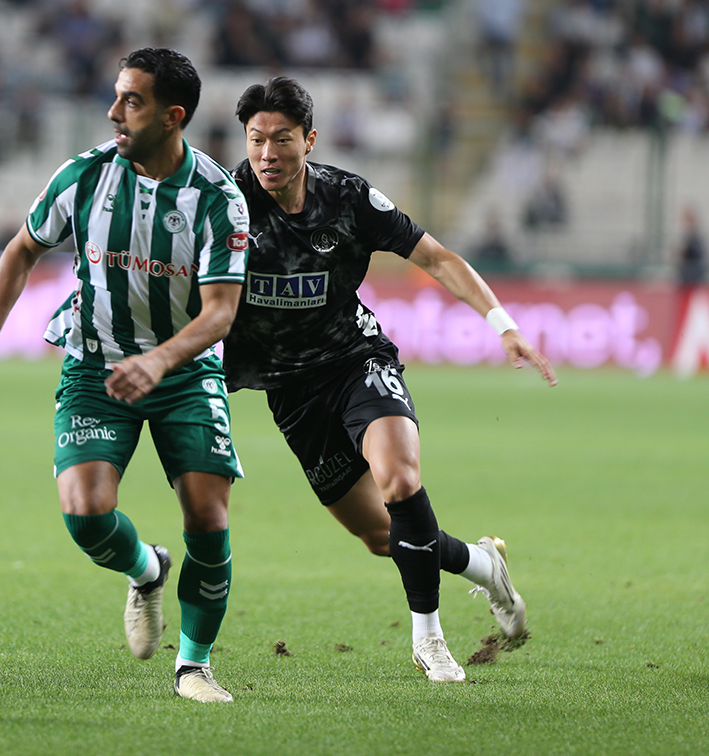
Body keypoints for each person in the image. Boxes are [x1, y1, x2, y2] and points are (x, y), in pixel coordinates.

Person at [222, 77, 557, 683]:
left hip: (356, 360)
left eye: (282, 139)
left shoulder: (347, 198)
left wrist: (503, 324)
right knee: (384, 536)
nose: (267, 153)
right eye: (256, 140)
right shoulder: (225, 206)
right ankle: (484, 566)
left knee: (400, 479)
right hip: (290, 393)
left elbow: (436, 258)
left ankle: (429, 639)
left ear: (309, 140)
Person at [0, 48, 251, 702]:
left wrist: (159, 359)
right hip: (95, 363)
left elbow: (221, 312)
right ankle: (147, 570)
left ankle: (194, 666)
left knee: (207, 514)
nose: (114, 111)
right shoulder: (84, 176)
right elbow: (22, 249)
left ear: (173, 116)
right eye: (117, 96)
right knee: (86, 514)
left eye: (132, 101)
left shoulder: (217, 200)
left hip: (183, 372)